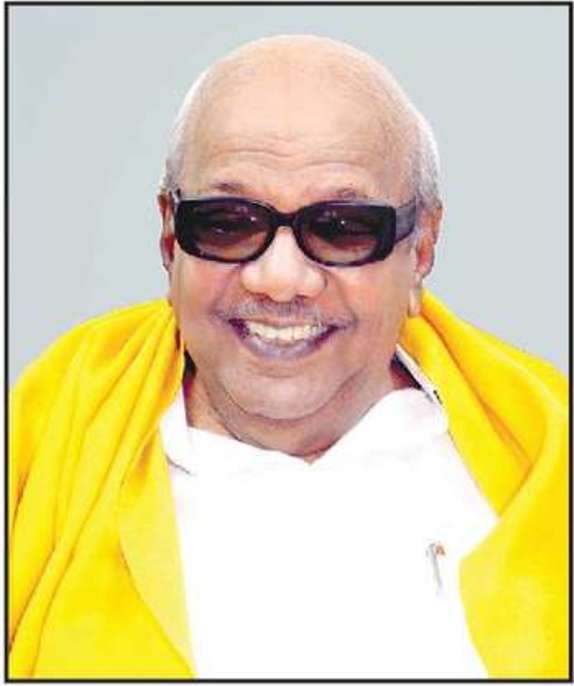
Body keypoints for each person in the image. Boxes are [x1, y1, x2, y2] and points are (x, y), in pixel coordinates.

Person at [9, 35, 568, 679]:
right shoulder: (43, 445)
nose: (279, 279)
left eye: (342, 228)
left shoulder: (547, 454)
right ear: (169, 237)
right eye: (228, 222)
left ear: (420, 250)